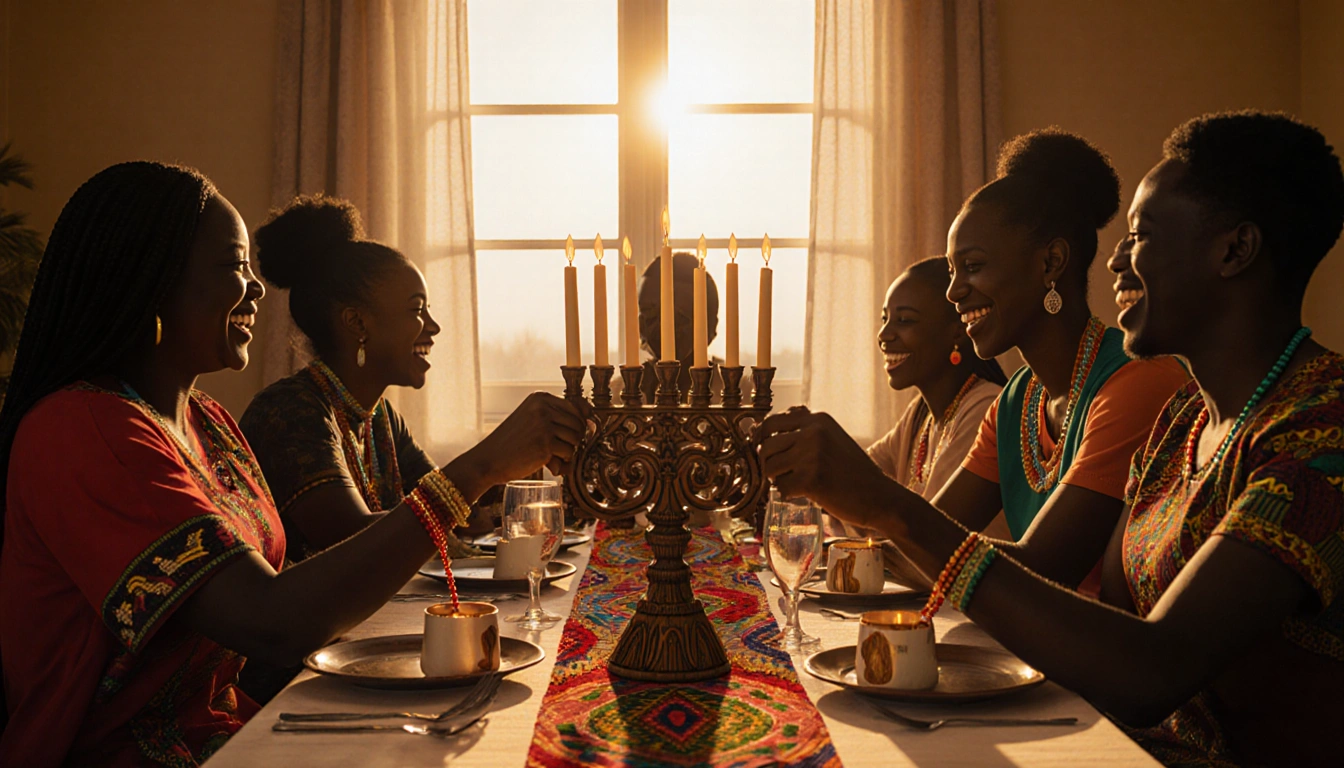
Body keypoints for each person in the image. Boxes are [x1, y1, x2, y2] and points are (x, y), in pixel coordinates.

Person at [759, 111, 1344, 767]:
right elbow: (1114, 622)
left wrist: (891, 509)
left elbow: (1155, 669)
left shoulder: (1322, 432)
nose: (1117, 258)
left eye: (1141, 236)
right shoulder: (1183, 421)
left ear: (1234, 251)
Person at [0, 163, 585, 766]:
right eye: (234, 266)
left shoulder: (210, 424)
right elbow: (271, 621)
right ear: (152, 282)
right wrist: (478, 467)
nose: (256, 288)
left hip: (235, 735)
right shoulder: (85, 430)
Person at [876, 129, 1190, 595]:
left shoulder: (1136, 380)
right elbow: (924, 551)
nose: (953, 292)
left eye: (973, 266)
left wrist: (862, 494)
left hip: (1097, 661)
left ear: (1051, 263)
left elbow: (1042, 571)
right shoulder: (1017, 400)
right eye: (951, 272)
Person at [239, 195, 484, 565]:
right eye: (417, 309)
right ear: (356, 323)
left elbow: (454, 513)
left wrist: (527, 481)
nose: (433, 327)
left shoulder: (381, 419)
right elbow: (358, 542)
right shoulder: (289, 412)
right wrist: (489, 462)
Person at [636, 251, 720, 403]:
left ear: (709, 327)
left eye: (679, 316)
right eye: (649, 313)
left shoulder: (735, 393)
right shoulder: (621, 393)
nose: (660, 327)